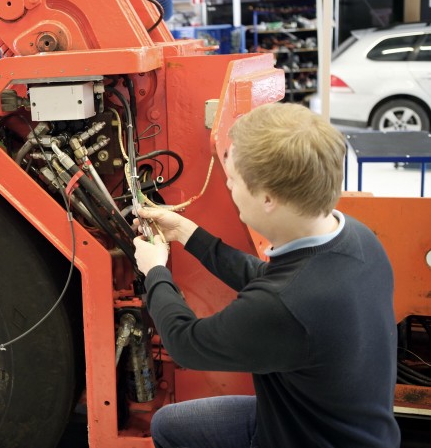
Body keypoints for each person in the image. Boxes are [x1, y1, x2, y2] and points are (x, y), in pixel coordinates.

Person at [133, 103, 400, 448]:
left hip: (305, 437)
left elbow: (186, 343)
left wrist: (154, 268)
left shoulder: (285, 305)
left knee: (167, 427)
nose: (228, 184)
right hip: (328, 421)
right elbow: (272, 277)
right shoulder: (357, 238)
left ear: (268, 198)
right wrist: (188, 233)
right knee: (171, 424)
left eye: (233, 180)